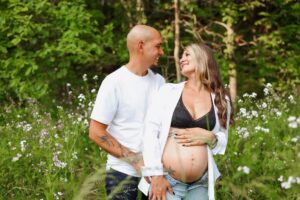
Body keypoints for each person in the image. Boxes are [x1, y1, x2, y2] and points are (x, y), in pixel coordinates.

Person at [139, 43, 234, 200]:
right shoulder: (168, 91)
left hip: (200, 184)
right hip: (167, 182)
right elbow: (150, 133)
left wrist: (210, 137)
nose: (181, 59)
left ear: (203, 58)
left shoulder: (221, 99)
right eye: (181, 56)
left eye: (187, 54)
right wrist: (156, 175)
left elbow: (222, 141)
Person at [89, 25, 165, 200]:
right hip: (121, 174)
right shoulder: (113, 82)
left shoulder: (159, 82)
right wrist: (135, 160)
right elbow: (95, 131)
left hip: (155, 174)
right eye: (157, 46)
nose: (161, 51)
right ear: (140, 46)